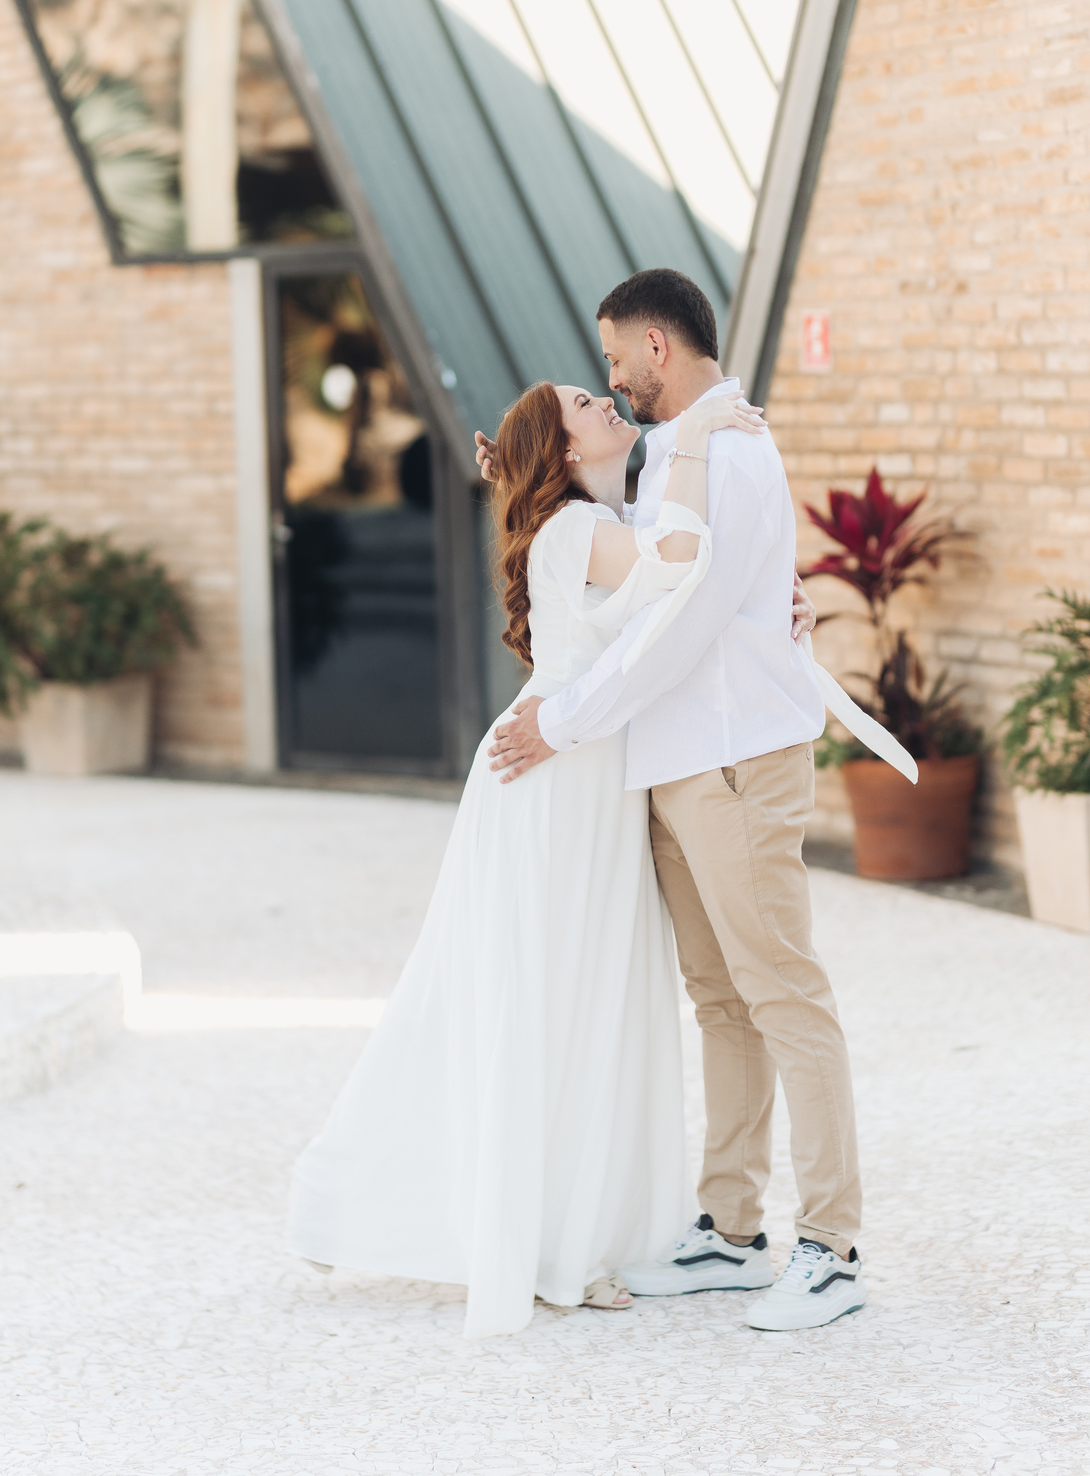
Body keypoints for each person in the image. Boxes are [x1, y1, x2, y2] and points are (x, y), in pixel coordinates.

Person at [288, 376, 781, 1339]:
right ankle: (540, 1241)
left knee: (590, 996)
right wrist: (693, 432)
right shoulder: (575, 528)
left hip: (590, 777)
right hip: (550, 778)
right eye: (585, 406)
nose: (606, 405)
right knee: (547, 996)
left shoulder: (592, 518)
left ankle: (577, 1228)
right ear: (564, 451)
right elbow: (679, 558)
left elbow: (669, 581)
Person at [482, 267, 914, 1333]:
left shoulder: (729, 446)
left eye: (614, 357)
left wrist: (564, 722)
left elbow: (675, 628)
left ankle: (833, 1250)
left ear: (657, 346)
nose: (611, 378)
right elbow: (651, 585)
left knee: (783, 994)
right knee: (721, 1001)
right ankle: (731, 1229)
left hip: (732, 761)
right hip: (673, 768)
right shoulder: (673, 448)